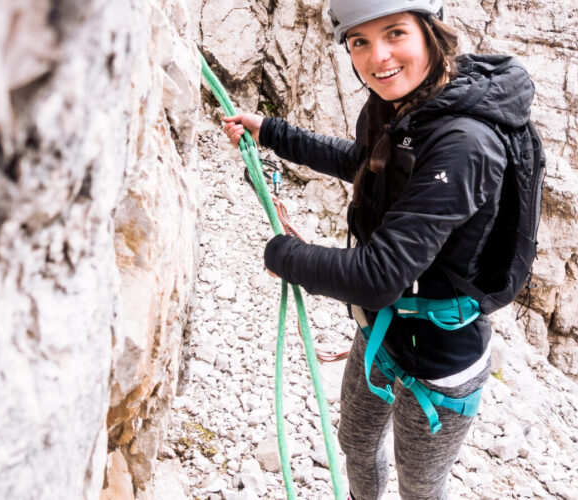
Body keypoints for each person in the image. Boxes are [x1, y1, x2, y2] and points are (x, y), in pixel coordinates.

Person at [222, 1, 535, 498]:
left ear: (431, 32)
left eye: (394, 34)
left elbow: (379, 274)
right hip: (382, 336)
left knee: (420, 486)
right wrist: (273, 132)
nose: (377, 57)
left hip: (442, 362)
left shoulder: (464, 141)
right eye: (359, 41)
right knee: (356, 444)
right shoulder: (404, 103)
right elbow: (367, 164)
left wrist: (281, 255)